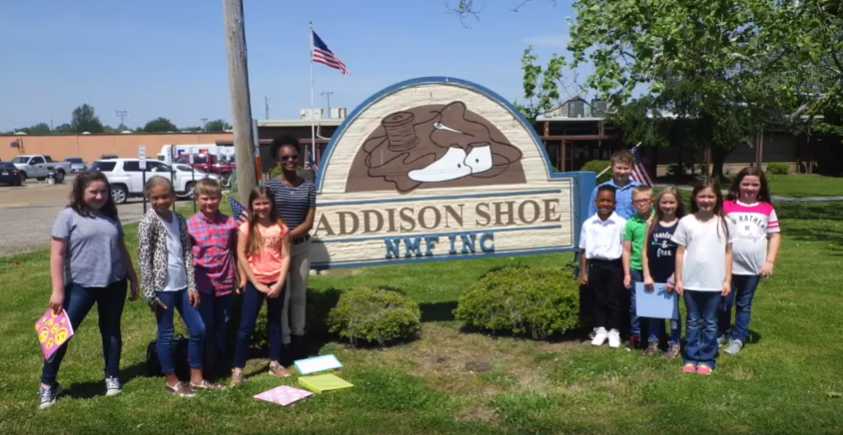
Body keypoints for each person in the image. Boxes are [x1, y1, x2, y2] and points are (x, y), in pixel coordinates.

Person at [39, 172, 139, 409]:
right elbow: (57, 254)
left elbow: (121, 249)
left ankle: (112, 376)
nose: (99, 196)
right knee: (60, 333)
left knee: (111, 330)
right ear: (81, 192)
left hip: (114, 283)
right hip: (81, 284)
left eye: (103, 191)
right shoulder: (68, 216)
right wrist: (58, 290)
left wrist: (133, 277)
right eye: (93, 191)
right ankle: (47, 384)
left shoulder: (110, 216)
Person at [138, 176, 222, 397]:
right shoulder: (148, 222)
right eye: (155, 197)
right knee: (166, 334)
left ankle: (196, 377)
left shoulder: (179, 219)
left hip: (183, 285)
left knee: (198, 329)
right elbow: (144, 259)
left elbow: (187, 251)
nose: (160, 201)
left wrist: (192, 285)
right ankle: (172, 380)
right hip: (162, 288)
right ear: (149, 198)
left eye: (165, 196)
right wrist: (150, 294)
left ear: (173, 196)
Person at [230, 186, 293, 387]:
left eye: (265, 202)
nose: (262, 207)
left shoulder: (281, 227)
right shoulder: (246, 228)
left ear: (272, 204)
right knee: (246, 327)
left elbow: (286, 256)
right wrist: (253, 282)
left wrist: (280, 282)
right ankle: (238, 369)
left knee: (275, 323)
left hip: (276, 282)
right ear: (251, 205)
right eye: (257, 203)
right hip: (255, 283)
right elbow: (240, 254)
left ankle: (275, 363)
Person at [673, 178, 735, 375]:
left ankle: (707, 359)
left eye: (710, 196)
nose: (706, 200)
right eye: (702, 196)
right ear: (694, 197)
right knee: (692, 321)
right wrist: (679, 279)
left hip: (715, 283)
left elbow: (728, 253)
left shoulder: (726, 223)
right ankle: (691, 357)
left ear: (717, 198)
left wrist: (727, 280)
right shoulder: (686, 222)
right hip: (691, 282)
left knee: (709, 322)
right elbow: (680, 253)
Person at [718, 167, 781, 355]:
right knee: (724, 303)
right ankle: (722, 332)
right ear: (738, 185)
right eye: (745, 183)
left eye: (755, 184)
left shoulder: (767, 209)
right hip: (727, 267)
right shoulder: (727, 206)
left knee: (744, 304)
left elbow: (775, 235)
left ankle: (739, 338)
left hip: (754, 269)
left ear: (761, 187)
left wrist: (769, 261)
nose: (750, 188)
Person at [582, 149, 643, 340]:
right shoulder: (601, 189)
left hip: (632, 242)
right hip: (607, 242)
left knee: (629, 285)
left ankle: (626, 327)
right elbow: (592, 217)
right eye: (619, 167)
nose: (622, 171)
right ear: (612, 167)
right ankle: (605, 326)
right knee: (606, 291)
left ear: (632, 169)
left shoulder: (638, 188)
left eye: (626, 168)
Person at [267, 135, 316, 363]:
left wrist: (287, 236)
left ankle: (299, 339)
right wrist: (281, 239)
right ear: (277, 159)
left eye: (294, 156)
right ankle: (284, 343)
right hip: (278, 251)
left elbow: (309, 223)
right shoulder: (271, 186)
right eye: (284, 157)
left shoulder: (308, 187)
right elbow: (267, 217)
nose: (290, 160)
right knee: (283, 297)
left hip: (301, 247)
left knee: (299, 296)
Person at [187, 178, 240, 372]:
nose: (210, 202)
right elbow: (186, 257)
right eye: (205, 198)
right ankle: (207, 361)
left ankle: (222, 358)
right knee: (205, 324)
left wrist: (239, 279)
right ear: (197, 199)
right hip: (202, 284)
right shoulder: (190, 225)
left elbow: (236, 252)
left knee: (223, 322)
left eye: (214, 198)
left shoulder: (230, 224)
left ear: (220, 199)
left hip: (225, 281)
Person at [641, 186, 686, 359]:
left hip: (673, 276)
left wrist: (674, 278)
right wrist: (646, 274)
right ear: (658, 203)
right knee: (654, 311)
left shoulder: (681, 224)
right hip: (654, 275)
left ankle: (674, 343)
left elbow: (684, 253)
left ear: (678, 203)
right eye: (664, 202)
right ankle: (653, 341)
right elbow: (645, 251)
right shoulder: (652, 223)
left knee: (673, 311)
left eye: (671, 202)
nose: (668, 205)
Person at [580, 185, 627, 349]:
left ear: (614, 203)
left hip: (615, 266)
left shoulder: (621, 223)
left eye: (609, 201)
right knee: (599, 300)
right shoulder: (588, 224)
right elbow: (584, 250)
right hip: (595, 266)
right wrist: (584, 273)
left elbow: (626, 248)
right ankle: (601, 329)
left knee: (613, 300)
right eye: (602, 200)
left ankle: (614, 330)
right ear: (596, 202)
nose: (605, 204)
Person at [622, 186, 653, 350]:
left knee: (654, 303)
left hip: (654, 269)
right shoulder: (631, 224)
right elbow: (626, 250)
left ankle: (655, 335)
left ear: (652, 201)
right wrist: (627, 273)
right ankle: (636, 336)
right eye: (638, 201)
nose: (641, 204)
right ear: (633, 204)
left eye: (645, 200)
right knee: (636, 305)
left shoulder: (658, 220)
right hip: (636, 268)